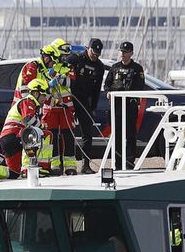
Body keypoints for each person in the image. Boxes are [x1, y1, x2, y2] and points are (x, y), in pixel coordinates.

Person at [0, 78, 47, 180]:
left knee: (14, 173)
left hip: (6, 139)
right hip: (15, 136)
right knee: (38, 134)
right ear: (35, 93)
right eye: (43, 95)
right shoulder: (28, 101)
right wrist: (42, 126)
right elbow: (28, 120)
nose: (45, 98)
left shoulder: (29, 103)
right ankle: (30, 169)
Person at [104, 41, 146, 169]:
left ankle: (129, 162)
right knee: (116, 135)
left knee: (130, 134)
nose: (123, 54)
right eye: (121, 51)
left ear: (131, 53)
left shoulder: (137, 69)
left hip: (130, 105)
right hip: (116, 106)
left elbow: (140, 86)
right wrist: (108, 93)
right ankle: (117, 162)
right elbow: (107, 84)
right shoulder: (114, 67)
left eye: (126, 52)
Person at [68, 38, 108, 174]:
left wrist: (93, 108)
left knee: (87, 134)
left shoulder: (99, 67)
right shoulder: (76, 59)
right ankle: (65, 165)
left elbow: (96, 90)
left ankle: (85, 165)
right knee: (65, 133)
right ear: (87, 48)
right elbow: (61, 69)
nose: (94, 56)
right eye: (93, 52)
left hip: (84, 101)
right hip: (69, 98)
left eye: (97, 54)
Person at [41, 38, 78, 175]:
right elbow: (42, 86)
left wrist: (58, 77)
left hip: (65, 108)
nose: (65, 57)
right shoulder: (45, 66)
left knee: (68, 137)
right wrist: (50, 82)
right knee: (52, 138)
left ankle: (70, 166)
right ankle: (54, 166)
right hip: (50, 108)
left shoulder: (68, 67)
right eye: (63, 55)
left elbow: (71, 81)